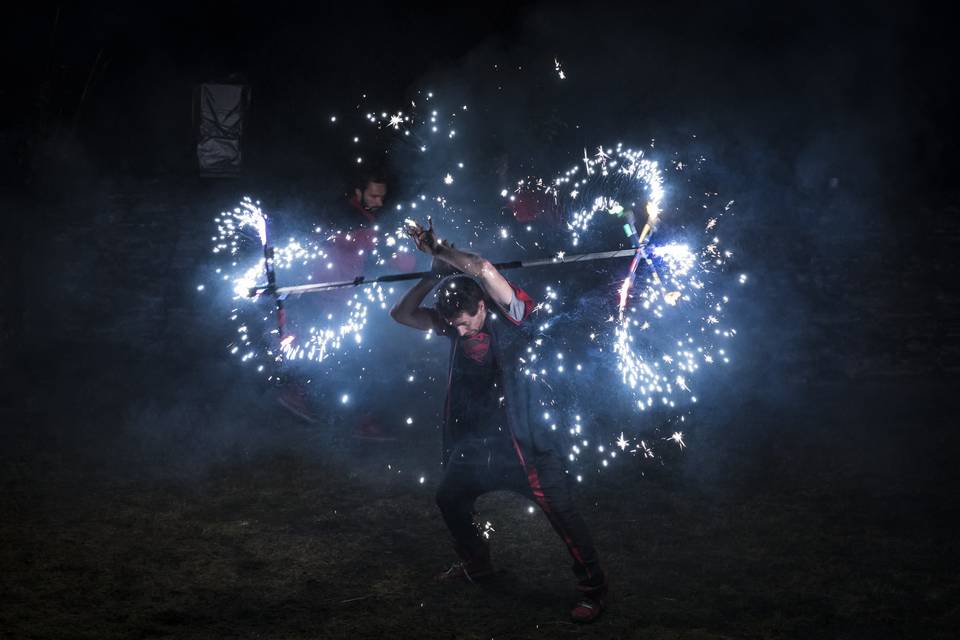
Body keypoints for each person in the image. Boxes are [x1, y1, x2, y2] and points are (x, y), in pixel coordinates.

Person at [389, 220, 608, 623]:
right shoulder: (453, 324)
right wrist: (431, 276)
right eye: (452, 323)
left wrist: (439, 250)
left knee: (563, 515)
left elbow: (483, 269)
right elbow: (400, 314)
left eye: (466, 321)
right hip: (479, 448)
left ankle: (593, 589)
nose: (459, 329)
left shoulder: (515, 317)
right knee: (449, 499)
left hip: (526, 446)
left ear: (483, 307)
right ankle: (478, 565)